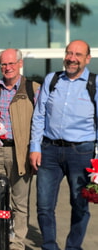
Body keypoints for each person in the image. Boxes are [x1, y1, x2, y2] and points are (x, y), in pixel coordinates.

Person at [30, 40, 97, 250]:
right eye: (69, 53)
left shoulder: (94, 84)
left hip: (82, 152)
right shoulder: (52, 79)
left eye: (78, 54)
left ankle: (73, 247)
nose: (72, 58)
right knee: (43, 205)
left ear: (87, 59)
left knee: (80, 205)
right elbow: (39, 116)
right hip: (49, 151)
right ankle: (49, 246)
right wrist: (35, 147)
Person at [0, 48, 40, 250]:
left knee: (20, 203)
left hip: (21, 152)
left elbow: (40, 122)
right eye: (3, 64)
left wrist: (36, 149)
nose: (7, 68)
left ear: (20, 64)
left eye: (11, 63)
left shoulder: (34, 89)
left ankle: (16, 244)